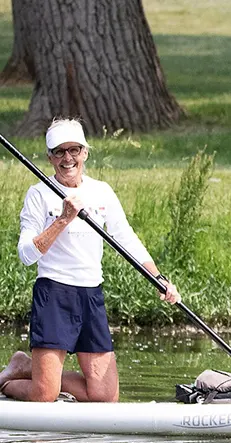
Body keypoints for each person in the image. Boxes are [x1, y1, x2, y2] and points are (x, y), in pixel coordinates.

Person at [0, 118, 180, 403]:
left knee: (105, 397)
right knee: (43, 396)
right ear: (49, 157)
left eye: (74, 150)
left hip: (90, 295)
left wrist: (158, 278)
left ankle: (26, 367)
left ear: (85, 152)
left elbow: (126, 237)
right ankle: (12, 378)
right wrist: (63, 219)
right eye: (59, 151)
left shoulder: (101, 191)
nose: (67, 158)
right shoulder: (38, 194)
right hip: (54, 294)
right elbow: (26, 255)